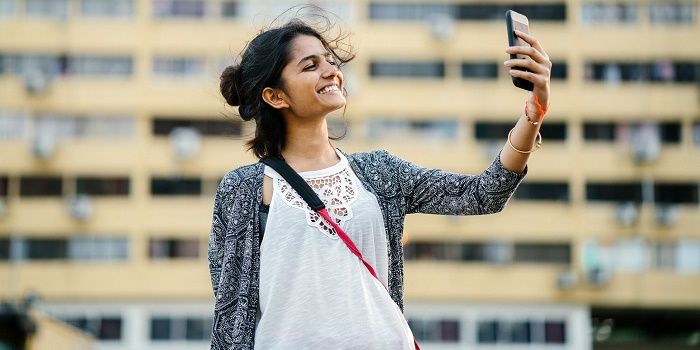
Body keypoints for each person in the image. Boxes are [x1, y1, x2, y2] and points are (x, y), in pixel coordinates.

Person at [209, 13, 551, 350]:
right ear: (275, 96)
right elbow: (230, 310)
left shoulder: (380, 173)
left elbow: (481, 195)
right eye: (310, 66)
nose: (332, 71)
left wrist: (533, 114)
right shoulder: (245, 189)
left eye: (330, 61)